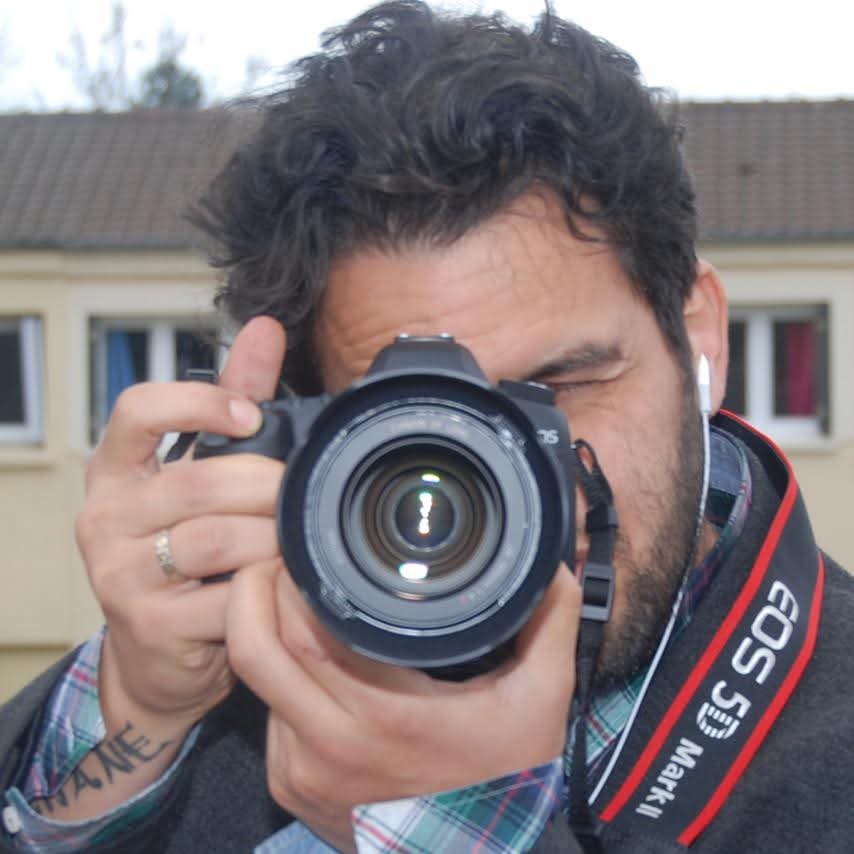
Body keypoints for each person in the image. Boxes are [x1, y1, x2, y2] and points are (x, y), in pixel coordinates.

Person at [1, 2, 852, 852]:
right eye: (421, 426)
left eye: (561, 383)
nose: (509, 475)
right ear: (312, 438)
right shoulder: (257, 663)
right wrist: (142, 710)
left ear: (698, 335)